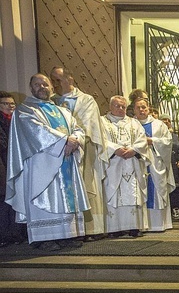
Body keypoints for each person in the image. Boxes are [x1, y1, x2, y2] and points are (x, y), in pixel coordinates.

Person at [5, 73, 89, 250]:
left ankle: (67, 235)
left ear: (52, 87)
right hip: (40, 165)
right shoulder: (25, 110)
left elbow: (78, 129)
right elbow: (35, 130)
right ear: (31, 88)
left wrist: (75, 139)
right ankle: (44, 238)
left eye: (45, 84)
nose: (41, 87)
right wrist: (64, 141)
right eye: (37, 85)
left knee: (66, 196)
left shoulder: (63, 111)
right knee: (43, 196)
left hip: (65, 161)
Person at [49, 66, 107, 239]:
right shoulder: (51, 101)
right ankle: (65, 230)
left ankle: (88, 229)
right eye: (52, 80)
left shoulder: (86, 100)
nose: (54, 84)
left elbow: (89, 125)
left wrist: (74, 141)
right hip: (58, 151)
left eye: (58, 80)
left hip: (82, 151)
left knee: (84, 186)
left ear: (70, 79)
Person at [100, 96, 149, 237]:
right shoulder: (103, 122)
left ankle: (134, 227)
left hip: (132, 163)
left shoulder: (134, 123)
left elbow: (142, 139)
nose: (120, 109)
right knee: (113, 192)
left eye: (123, 106)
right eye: (117, 106)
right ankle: (115, 228)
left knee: (133, 193)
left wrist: (135, 150)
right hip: (113, 164)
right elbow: (101, 140)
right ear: (110, 106)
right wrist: (115, 149)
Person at [133, 97, 174, 232]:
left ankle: (158, 224)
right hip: (137, 161)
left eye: (144, 107)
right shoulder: (130, 124)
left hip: (155, 161)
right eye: (138, 107)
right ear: (134, 109)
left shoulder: (158, 124)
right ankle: (141, 224)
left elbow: (168, 141)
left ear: (148, 109)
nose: (141, 110)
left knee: (156, 189)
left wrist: (152, 141)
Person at [0, 91, 26, 246]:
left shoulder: (17, 120)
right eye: (5, 104)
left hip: (15, 165)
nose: (10, 106)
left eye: (12, 104)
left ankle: (16, 233)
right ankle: (4, 236)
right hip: (3, 166)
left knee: (16, 200)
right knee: (4, 202)